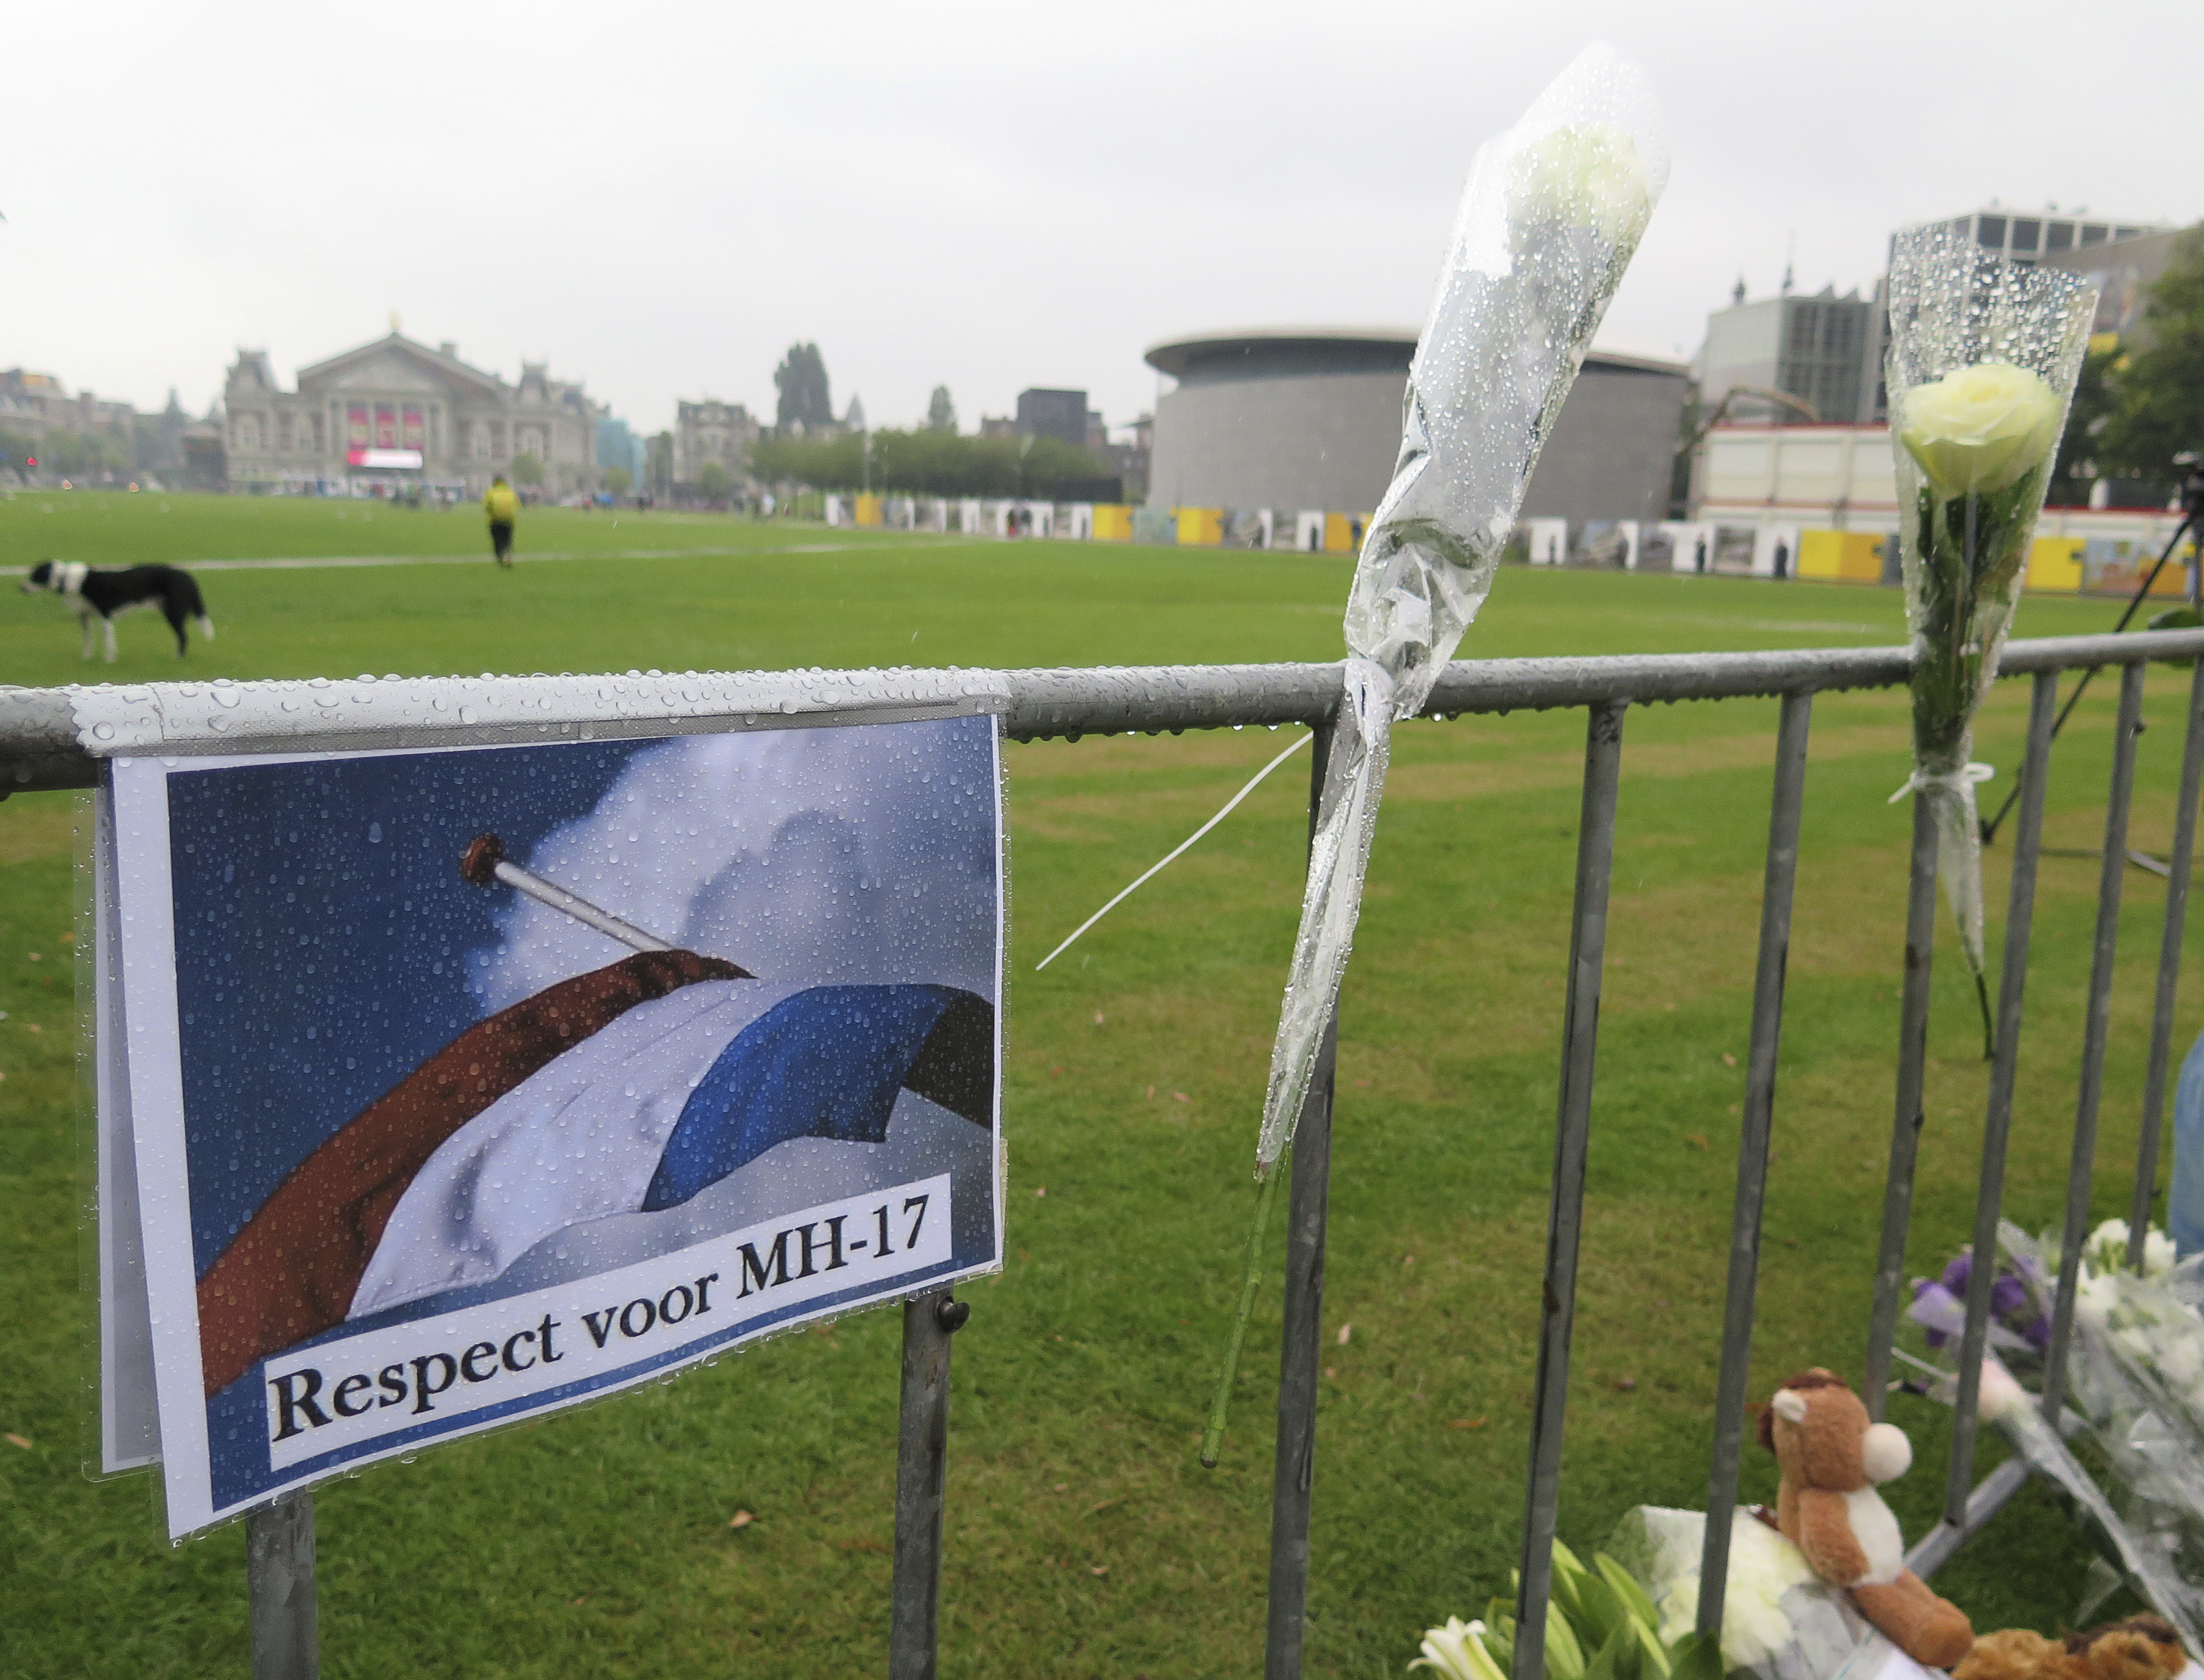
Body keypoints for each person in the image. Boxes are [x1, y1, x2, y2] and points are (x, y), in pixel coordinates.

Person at [484, 474, 520, 567]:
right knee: (507, 538)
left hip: (495, 520)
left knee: (497, 539)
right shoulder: (510, 492)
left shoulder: (491, 492)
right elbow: (517, 504)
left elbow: (487, 506)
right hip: (509, 520)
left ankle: (500, 557)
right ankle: (508, 553)